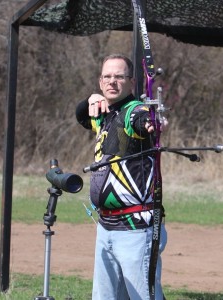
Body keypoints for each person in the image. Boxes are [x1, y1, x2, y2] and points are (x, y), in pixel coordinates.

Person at [76, 53, 167, 300]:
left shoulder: (133, 112)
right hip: (106, 227)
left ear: (132, 82)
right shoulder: (103, 113)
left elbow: (144, 121)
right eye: (107, 76)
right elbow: (80, 114)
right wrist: (90, 99)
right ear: (100, 80)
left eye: (119, 76)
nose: (112, 81)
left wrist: (151, 123)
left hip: (135, 228)